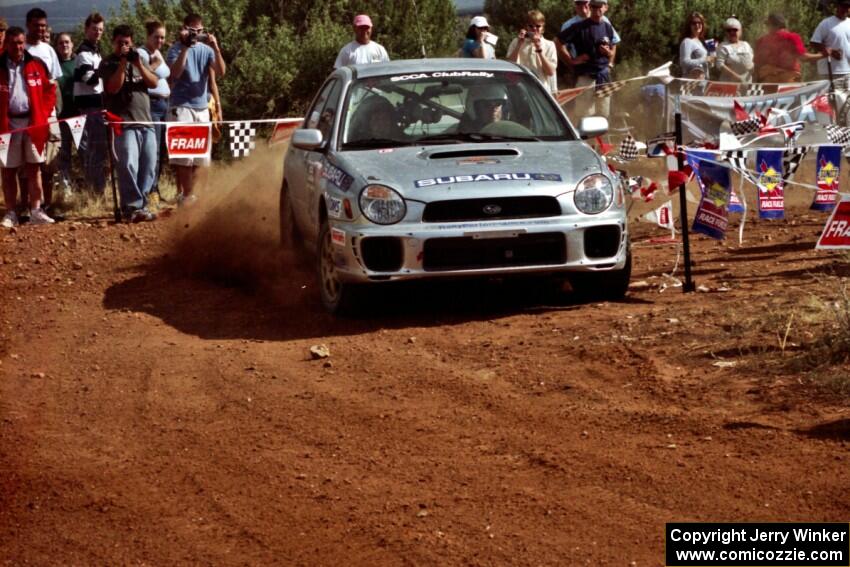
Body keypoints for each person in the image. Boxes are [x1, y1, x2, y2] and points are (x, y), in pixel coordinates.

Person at [99, 25, 158, 222]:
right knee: (128, 164)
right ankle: (131, 206)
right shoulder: (108, 62)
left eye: (127, 42)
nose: (124, 46)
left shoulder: (140, 59)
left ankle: (142, 204)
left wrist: (139, 64)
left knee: (149, 165)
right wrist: (123, 63)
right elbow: (113, 88)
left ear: (132, 42)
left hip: (145, 120)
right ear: (113, 42)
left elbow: (153, 83)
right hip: (123, 122)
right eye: (120, 43)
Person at [0, 27, 57, 227]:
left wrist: (44, 111)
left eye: (21, 42)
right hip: (8, 125)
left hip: (33, 123)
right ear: (6, 43)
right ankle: (11, 213)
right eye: (14, 43)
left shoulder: (36, 63)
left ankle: (35, 211)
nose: (18, 47)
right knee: (8, 170)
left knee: (35, 169)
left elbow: (51, 90)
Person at [166, 13, 226, 202]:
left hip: (201, 107)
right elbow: (174, 74)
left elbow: (221, 72)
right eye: (193, 31)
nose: (197, 35)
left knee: (201, 156)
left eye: (200, 31)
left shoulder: (206, 50)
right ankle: (187, 195)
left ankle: (199, 195)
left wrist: (215, 48)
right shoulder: (175, 49)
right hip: (181, 106)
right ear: (184, 29)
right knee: (183, 155)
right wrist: (185, 47)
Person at [556, 0, 616, 118]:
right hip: (586, 77)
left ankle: (601, 137)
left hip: (604, 77)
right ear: (590, 7)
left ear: (606, 7)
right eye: (593, 6)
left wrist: (609, 57)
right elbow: (558, 42)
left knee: (604, 113)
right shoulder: (578, 27)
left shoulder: (607, 26)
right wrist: (571, 61)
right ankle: (585, 137)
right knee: (585, 115)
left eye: (600, 6)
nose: (596, 9)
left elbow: (613, 44)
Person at [73, 13, 107, 194]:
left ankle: (97, 188)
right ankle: (96, 190)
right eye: (94, 29)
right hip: (90, 107)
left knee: (98, 149)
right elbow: (91, 80)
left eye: (101, 29)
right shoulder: (84, 54)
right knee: (95, 149)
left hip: (98, 106)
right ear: (86, 29)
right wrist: (105, 67)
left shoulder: (96, 51)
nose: (98, 32)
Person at [138, 20, 169, 203]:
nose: (160, 40)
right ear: (148, 36)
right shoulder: (142, 53)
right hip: (152, 104)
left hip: (164, 104)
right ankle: (149, 190)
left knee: (160, 150)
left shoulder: (156, 53)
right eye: (156, 37)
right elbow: (141, 74)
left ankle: (154, 187)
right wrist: (155, 65)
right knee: (152, 151)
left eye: (163, 37)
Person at [754, 13, 824, 83]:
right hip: (788, 80)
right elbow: (803, 57)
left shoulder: (761, 41)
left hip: (768, 81)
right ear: (782, 25)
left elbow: (757, 63)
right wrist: (822, 55)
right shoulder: (792, 37)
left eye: (767, 25)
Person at [506, 10, 558, 93]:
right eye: (531, 26)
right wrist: (519, 44)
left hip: (541, 90)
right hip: (519, 89)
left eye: (538, 26)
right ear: (526, 27)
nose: (534, 29)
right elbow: (510, 66)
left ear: (543, 27)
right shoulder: (516, 42)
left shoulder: (549, 45)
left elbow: (550, 72)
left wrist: (539, 49)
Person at [811, 0, 850, 84]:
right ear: (837, 7)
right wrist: (830, 52)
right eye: (843, 7)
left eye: (848, 7)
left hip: (848, 72)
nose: (846, 9)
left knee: (846, 97)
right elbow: (814, 42)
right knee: (829, 96)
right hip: (829, 72)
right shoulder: (826, 23)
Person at [55, 33, 76, 195]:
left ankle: (90, 189)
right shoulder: (54, 65)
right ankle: (66, 189)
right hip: (61, 115)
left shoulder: (79, 62)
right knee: (64, 154)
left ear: (72, 44)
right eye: (61, 43)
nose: (64, 45)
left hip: (80, 115)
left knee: (85, 153)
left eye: (67, 42)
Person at [715, 17, 753, 83]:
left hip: (746, 83)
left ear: (740, 31)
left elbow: (752, 61)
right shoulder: (723, 46)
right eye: (729, 30)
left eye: (735, 30)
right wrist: (736, 77)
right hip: (728, 85)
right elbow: (719, 64)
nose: (732, 32)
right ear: (726, 33)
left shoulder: (746, 45)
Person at [678, 12, 713, 79]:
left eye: (699, 23)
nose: (697, 25)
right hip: (691, 83)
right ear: (689, 26)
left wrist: (710, 61)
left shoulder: (700, 42)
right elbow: (684, 62)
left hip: (702, 82)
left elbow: (703, 64)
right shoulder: (687, 41)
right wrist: (704, 59)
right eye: (694, 23)